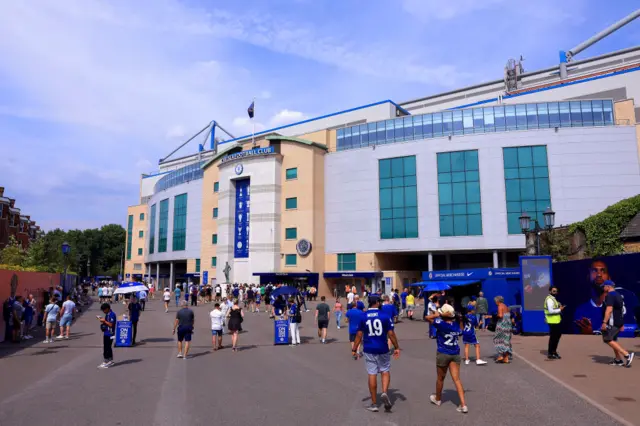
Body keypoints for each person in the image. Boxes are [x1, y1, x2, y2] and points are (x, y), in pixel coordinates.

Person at [351, 296, 400, 413]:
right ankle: (384, 392)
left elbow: (359, 334)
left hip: (369, 348)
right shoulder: (385, 316)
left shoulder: (363, 316)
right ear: (377, 303)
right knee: (385, 370)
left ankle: (374, 403)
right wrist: (396, 347)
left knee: (372, 373)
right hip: (383, 347)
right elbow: (391, 333)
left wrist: (354, 349)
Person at [425, 304, 468, 413]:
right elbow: (461, 331)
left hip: (443, 353)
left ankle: (438, 399)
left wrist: (438, 314)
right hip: (455, 353)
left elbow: (427, 318)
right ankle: (463, 405)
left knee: (440, 378)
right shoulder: (456, 324)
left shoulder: (441, 324)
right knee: (457, 379)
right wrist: (460, 319)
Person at [600, 280, 634, 367]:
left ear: (608, 286)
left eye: (604, 286)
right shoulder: (618, 295)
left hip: (612, 322)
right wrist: (621, 323)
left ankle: (626, 355)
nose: (603, 288)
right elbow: (620, 310)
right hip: (618, 322)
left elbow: (609, 310)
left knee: (607, 339)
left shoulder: (610, 295)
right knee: (613, 340)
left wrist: (604, 322)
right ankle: (618, 360)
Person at [574, 259, 611, 334]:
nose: (599, 274)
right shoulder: (580, 311)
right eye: (594, 271)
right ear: (588, 277)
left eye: (603, 271)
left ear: (609, 278)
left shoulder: (619, 307)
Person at [544, 286, 564, 360]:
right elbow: (550, 311)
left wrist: (559, 306)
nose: (555, 292)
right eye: (553, 291)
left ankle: (554, 352)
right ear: (550, 291)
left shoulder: (553, 299)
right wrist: (560, 309)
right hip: (552, 321)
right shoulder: (549, 299)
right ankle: (551, 353)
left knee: (557, 337)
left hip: (556, 321)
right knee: (553, 337)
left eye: (556, 291)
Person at [493, 296, 512, 364]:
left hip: (502, 324)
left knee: (498, 339)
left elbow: (500, 315)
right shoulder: (505, 306)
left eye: (495, 301)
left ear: (498, 301)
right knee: (506, 340)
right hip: (508, 325)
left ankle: (501, 355)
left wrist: (495, 316)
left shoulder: (500, 306)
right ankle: (506, 358)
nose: (495, 303)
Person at [97, 303, 116, 368]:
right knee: (107, 347)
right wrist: (102, 321)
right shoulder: (107, 314)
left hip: (110, 333)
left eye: (104, 310)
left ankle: (106, 361)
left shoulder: (112, 314)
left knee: (107, 348)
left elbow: (111, 324)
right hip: (106, 332)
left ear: (107, 309)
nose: (103, 312)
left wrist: (104, 321)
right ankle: (110, 360)